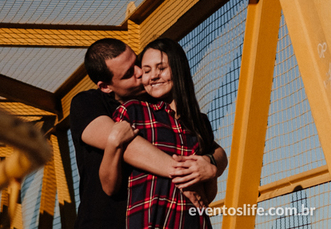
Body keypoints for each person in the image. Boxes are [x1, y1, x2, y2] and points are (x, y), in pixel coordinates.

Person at [70, 39, 221, 229]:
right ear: (106, 87)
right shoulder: (89, 103)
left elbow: (216, 151)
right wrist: (187, 177)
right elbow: (131, 147)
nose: (140, 72)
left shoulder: (161, 110)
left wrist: (210, 165)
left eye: (137, 62)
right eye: (128, 73)